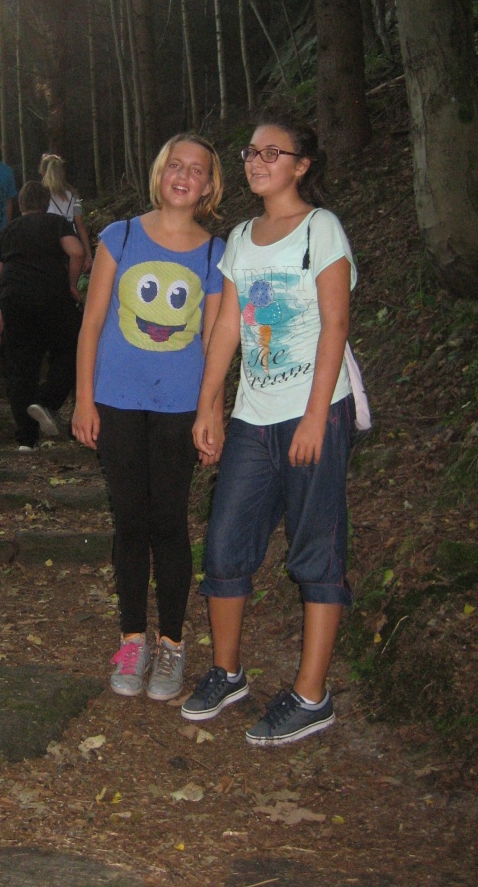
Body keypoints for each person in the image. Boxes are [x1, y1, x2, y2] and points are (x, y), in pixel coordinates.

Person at [183, 111, 356, 746]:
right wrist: (209, 405)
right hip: (253, 417)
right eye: (252, 153)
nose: (257, 162)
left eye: (271, 153)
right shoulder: (240, 236)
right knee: (226, 543)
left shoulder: (321, 228)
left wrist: (314, 415)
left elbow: (336, 324)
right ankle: (227, 673)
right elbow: (228, 326)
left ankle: (312, 695)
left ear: (301, 165)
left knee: (316, 549)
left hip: (316, 411)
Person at [72, 134, 225, 702]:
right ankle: (132, 638)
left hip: (179, 406)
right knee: (130, 520)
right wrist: (84, 399)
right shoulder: (120, 236)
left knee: (169, 522)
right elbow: (91, 323)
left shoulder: (215, 254)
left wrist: (213, 415)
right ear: (161, 173)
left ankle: (172, 643)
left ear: (208, 185)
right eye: (175, 165)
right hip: (116, 399)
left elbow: (214, 344)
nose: (184, 175)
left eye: (197, 169)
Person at [0, 180, 84, 451]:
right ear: (47, 203)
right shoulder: (56, 223)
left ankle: (26, 440)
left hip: (15, 300)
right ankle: (46, 401)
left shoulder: (7, 231)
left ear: (20, 205)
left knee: (21, 367)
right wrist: (71, 284)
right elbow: (76, 251)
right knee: (71, 349)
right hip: (53, 296)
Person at [39, 153, 94, 272]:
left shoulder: (41, 195)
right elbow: (80, 225)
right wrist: (88, 255)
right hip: (72, 244)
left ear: (43, 172)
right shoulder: (73, 194)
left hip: (49, 245)